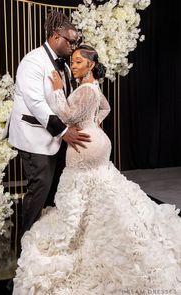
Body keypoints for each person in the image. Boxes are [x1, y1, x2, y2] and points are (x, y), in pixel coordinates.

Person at [12, 44, 181, 294]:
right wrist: (94, 123)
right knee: (100, 188)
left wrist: (58, 92)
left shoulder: (84, 91)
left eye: (79, 61)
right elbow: (106, 108)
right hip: (96, 143)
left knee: (84, 188)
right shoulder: (93, 88)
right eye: (73, 61)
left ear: (91, 65)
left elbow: (66, 117)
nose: (73, 65)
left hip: (84, 147)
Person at [7, 11, 91, 237]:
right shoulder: (33, 61)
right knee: (40, 185)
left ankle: (45, 233)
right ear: (56, 36)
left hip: (54, 134)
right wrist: (63, 131)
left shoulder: (64, 64)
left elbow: (63, 99)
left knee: (54, 187)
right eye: (71, 41)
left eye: (77, 42)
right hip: (33, 134)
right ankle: (26, 238)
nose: (74, 46)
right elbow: (36, 103)